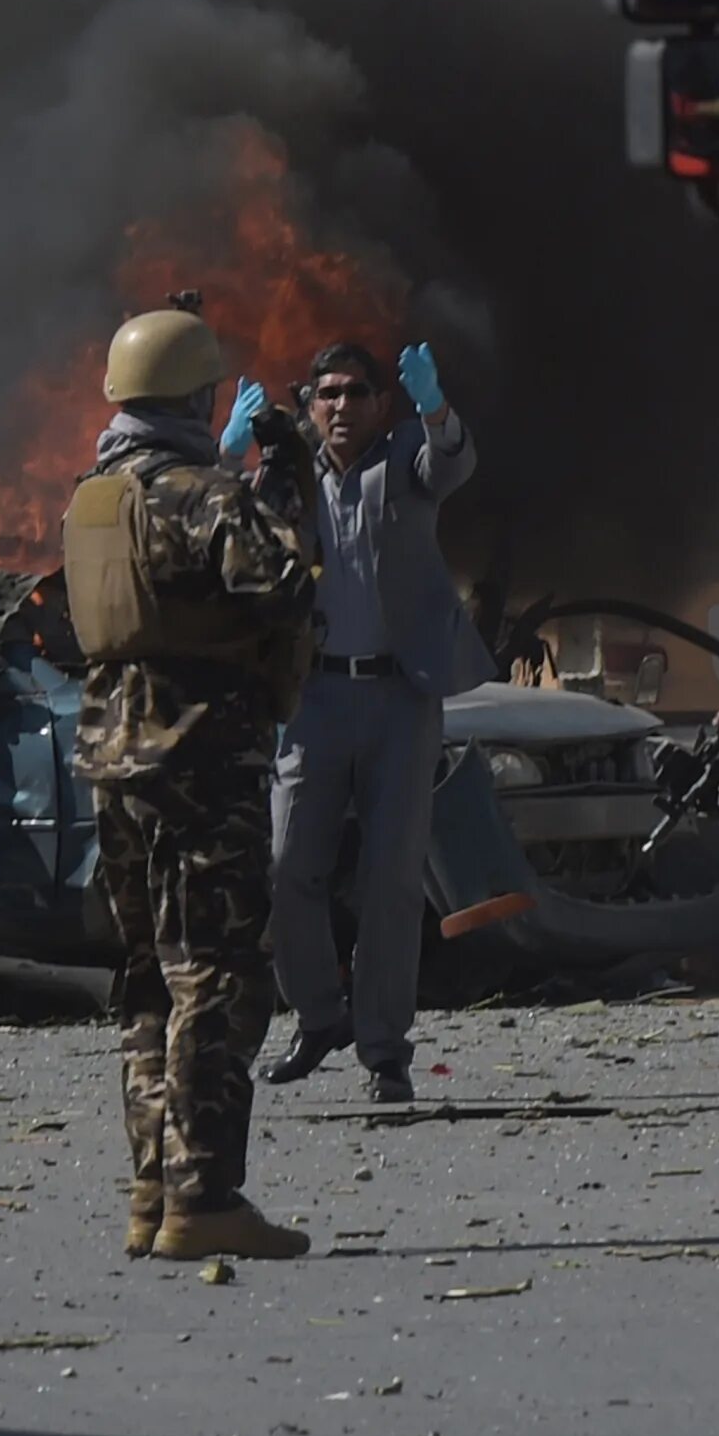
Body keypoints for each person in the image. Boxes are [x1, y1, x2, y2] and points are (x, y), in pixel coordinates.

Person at [64, 305, 318, 1262]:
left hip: (113, 761)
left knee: (146, 980)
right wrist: (280, 483)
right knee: (214, 971)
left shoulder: (95, 496)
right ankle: (205, 1194)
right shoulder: (200, 493)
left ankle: (150, 1188)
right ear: (195, 397)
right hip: (203, 758)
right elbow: (287, 587)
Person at [250, 340, 492, 1104]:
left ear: (382, 402)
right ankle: (320, 1014)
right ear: (309, 403)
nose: (343, 406)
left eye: (358, 392)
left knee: (391, 878)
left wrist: (436, 406)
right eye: (328, 393)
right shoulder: (289, 475)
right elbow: (241, 532)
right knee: (288, 866)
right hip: (315, 699)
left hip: (399, 696)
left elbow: (453, 464)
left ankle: (385, 1051)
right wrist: (235, 459)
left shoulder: (409, 458)